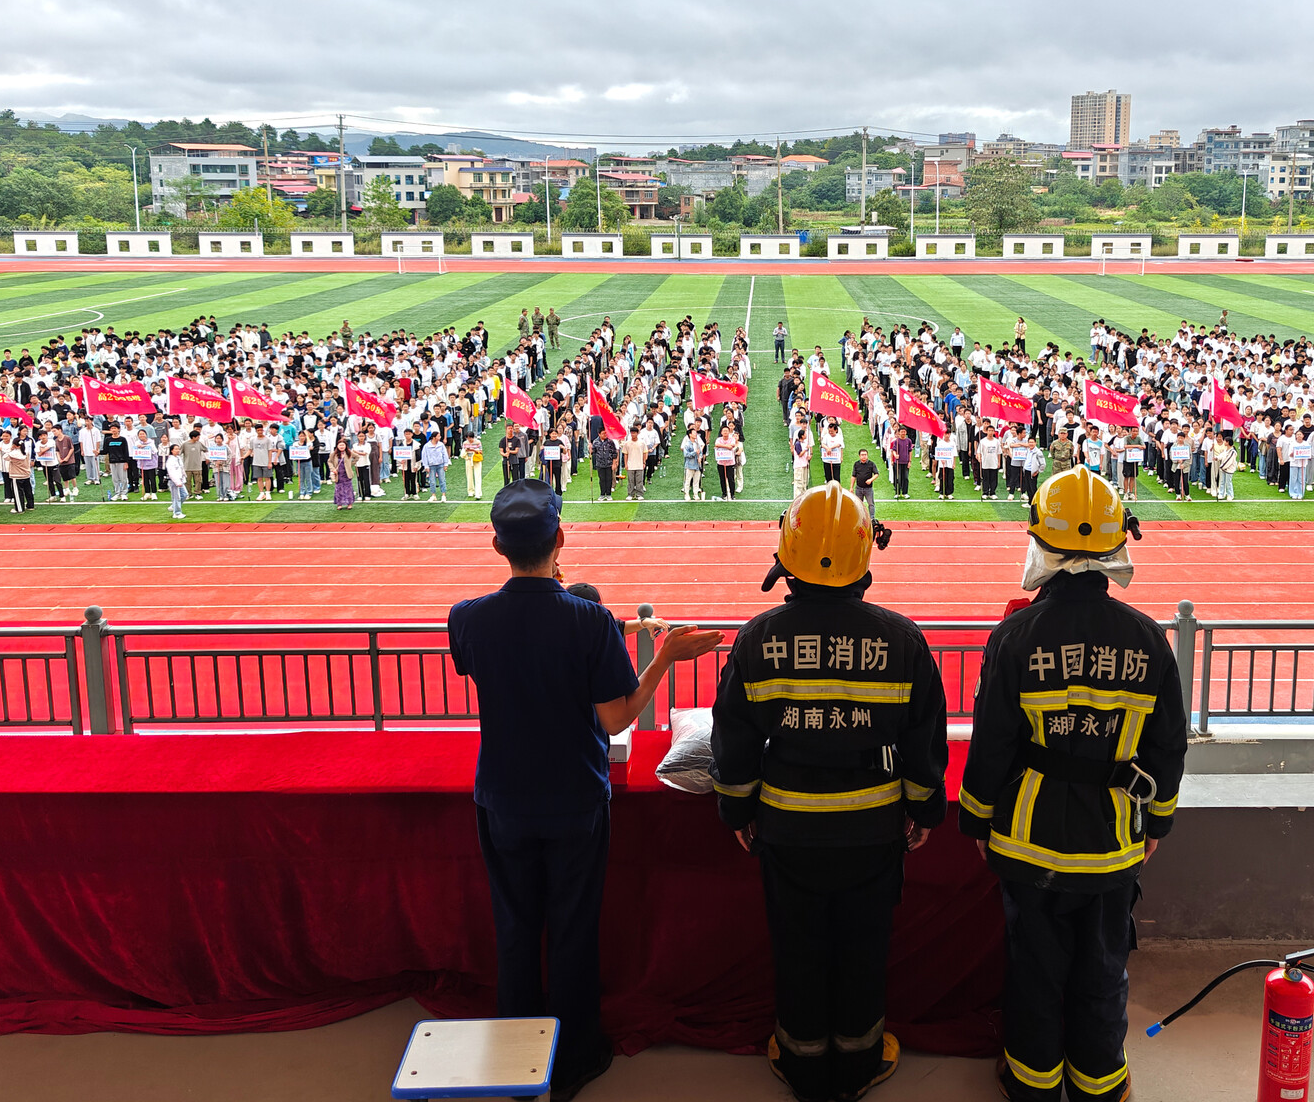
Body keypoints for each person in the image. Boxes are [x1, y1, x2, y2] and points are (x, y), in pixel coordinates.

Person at [449, 481, 722, 1102]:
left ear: (497, 545)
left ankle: (518, 1057)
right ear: (561, 539)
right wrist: (664, 659)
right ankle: (572, 1059)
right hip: (573, 798)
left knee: (516, 927)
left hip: (504, 798)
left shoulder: (467, 619)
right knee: (572, 929)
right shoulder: (590, 622)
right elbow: (617, 719)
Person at [710, 483, 947, 1102]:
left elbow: (732, 738)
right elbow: (926, 741)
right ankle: (860, 1061)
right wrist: (923, 809)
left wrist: (737, 807)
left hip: (786, 830)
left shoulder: (759, 637)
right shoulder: (902, 641)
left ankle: (803, 1061)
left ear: (787, 554)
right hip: (874, 831)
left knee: (798, 948)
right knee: (864, 948)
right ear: (866, 555)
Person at [961, 467, 1186, 1102]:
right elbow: (1168, 747)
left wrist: (977, 822)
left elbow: (992, 745)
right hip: (1113, 844)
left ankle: (1033, 1084)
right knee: (1102, 968)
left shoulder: (1014, 637)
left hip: (1028, 843)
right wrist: (1158, 825)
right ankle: (1099, 1085)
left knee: (1035, 971)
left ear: (1042, 545)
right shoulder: (1148, 640)